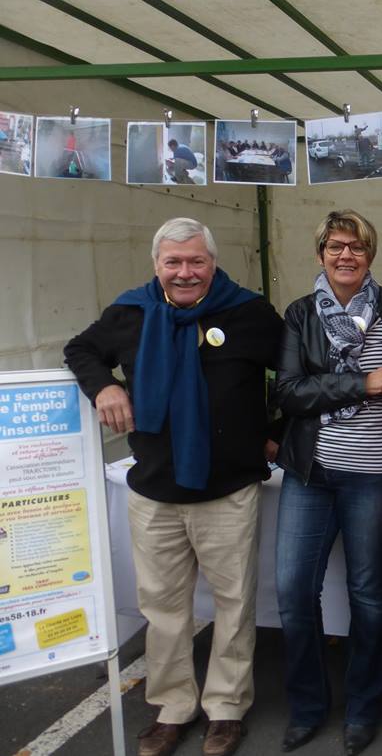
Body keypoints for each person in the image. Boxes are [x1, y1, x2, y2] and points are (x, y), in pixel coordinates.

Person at [64, 218, 284, 756]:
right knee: (163, 609)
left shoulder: (249, 311)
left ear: (212, 263)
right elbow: (80, 349)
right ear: (157, 266)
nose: (185, 272)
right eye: (174, 262)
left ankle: (226, 708)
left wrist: (273, 433)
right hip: (155, 491)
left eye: (196, 261)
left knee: (234, 605)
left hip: (228, 490)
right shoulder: (131, 312)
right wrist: (105, 389)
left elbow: (295, 374)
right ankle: (172, 707)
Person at [273, 210, 382, 756]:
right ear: (320, 254)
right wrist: (359, 383)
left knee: (367, 594)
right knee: (292, 591)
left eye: (357, 247)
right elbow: (288, 392)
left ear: (371, 254)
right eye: (336, 246)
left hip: (376, 474)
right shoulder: (300, 313)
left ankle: (363, 708)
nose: (346, 256)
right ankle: (309, 706)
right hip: (311, 472)